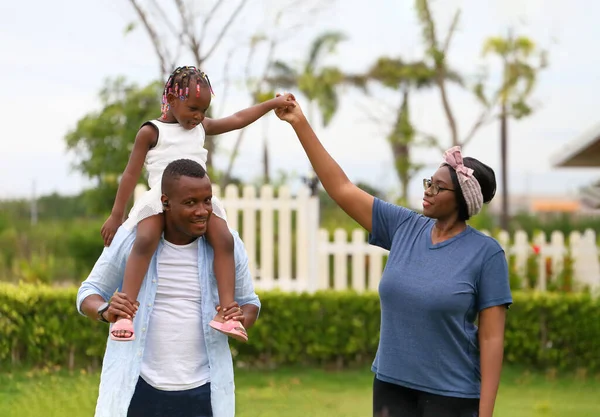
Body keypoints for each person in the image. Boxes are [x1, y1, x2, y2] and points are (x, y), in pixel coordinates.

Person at [275, 97, 512, 417]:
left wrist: (485, 414)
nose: (428, 190)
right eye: (429, 182)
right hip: (391, 387)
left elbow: (492, 337)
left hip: (452, 396)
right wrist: (299, 123)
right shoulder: (404, 227)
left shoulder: (486, 255)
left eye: (439, 188)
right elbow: (341, 188)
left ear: (463, 201)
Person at [100, 66, 290, 342]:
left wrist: (273, 103)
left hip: (197, 200)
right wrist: (116, 216)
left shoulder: (201, 127)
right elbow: (130, 174)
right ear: (171, 99)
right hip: (161, 200)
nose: (198, 116)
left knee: (224, 240)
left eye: (203, 110)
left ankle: (226, 313)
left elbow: (237, 119)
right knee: (145, 239)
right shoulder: (152, 131)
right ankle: (126, 313)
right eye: (192, 108)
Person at [77, 158, 261, 417]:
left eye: (207, 201)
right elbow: (88, 292)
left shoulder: (228, 246)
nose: (202, 211)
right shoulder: (131, 240)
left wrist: (241, 317)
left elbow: (250, 302)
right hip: (137, 387)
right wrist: (105, 310)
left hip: (204, 392)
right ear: (165, 203)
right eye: (190, 203)